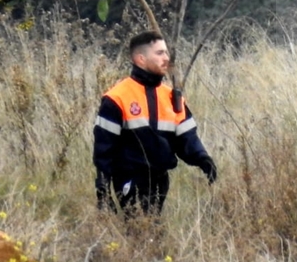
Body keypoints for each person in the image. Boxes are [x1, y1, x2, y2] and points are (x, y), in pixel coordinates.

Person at [93, 31, 217, 216]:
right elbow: (104, 148)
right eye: (159, 53)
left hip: (160, 180)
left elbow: (186, 137)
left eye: (166, 53)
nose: (166, 58)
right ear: (140, 59)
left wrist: (203, 159)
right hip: (130, 179)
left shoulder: (171, 97)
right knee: (142, 231)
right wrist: (103, 189)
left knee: (151, 232)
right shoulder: (117, 98)